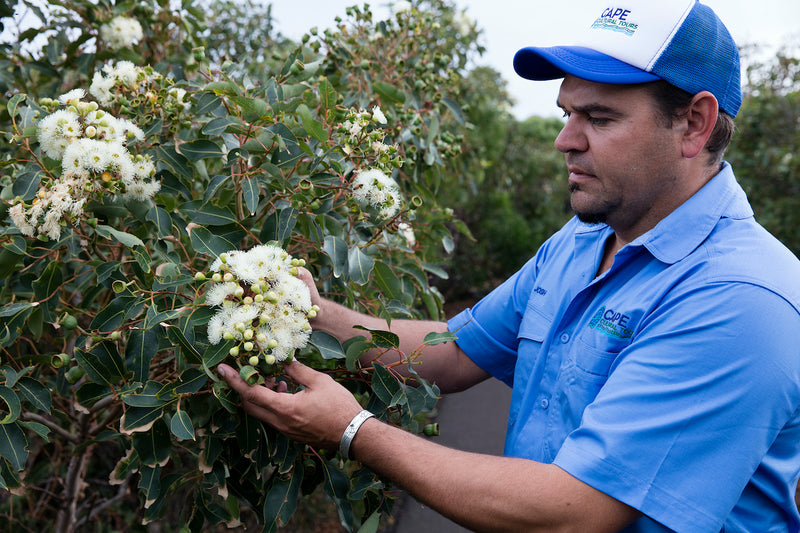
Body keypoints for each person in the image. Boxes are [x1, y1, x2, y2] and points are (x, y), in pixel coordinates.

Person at [217, 0, 800, 531]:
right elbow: (455, 350)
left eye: (598, 118)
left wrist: (351, 430)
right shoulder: (581, 242)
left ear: (694, 123)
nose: (565, 140)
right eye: (566, 113)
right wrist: (315, 311)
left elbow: (571, 511)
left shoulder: (741, 297)